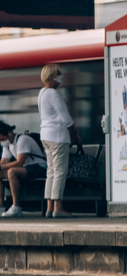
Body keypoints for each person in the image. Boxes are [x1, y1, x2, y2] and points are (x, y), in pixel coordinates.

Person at [36, 64, 79, 218]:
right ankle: (58, 207)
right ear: (50, 77)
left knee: (51, 172)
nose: (61, 76)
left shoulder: (42, 93)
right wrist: (75, 136)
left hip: (46, 136)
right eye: (58, 73)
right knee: (60, 172)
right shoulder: (54, 94)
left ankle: (49, 208)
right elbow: (66, 119)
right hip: (58, 137)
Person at [0, 122, 47, 217]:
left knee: (12, 171)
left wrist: (1, 167)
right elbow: (4, 161)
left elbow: (19, 162)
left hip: (38, 167)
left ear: (9, 133)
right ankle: (1, 205)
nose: (1, 142)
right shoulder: (8, 145)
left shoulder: (22, 140)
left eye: (2, 139)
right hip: (26, 168)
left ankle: (16, 207)